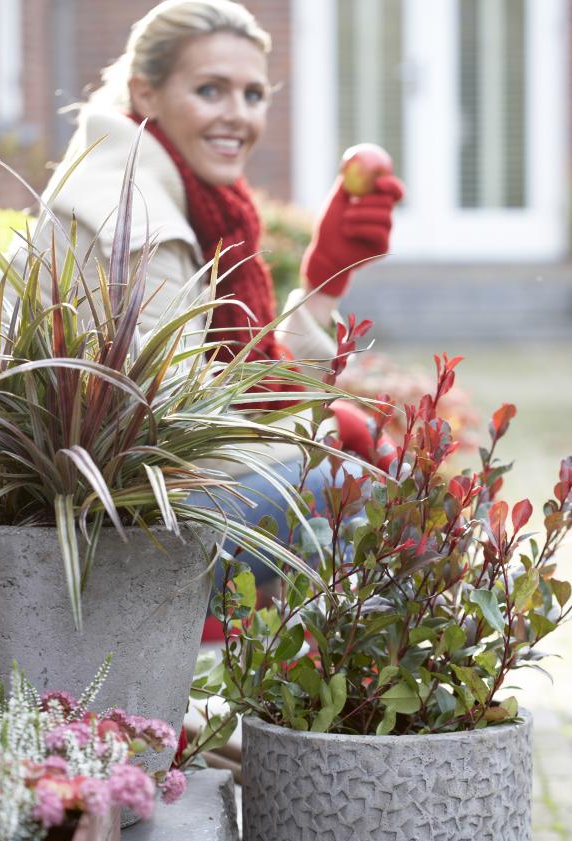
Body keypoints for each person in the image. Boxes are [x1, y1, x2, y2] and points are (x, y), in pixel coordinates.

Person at [40, 0, 404, 486]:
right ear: (146, 94)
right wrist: (332, 429)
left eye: (254, 95)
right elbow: (178, 440)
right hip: (88, 529)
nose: (238, 116)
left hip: (131, 497)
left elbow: (241, 392)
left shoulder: (206, 206)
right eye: (210, 90)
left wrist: (325, 282)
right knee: (345, 483)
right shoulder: (134, 219)